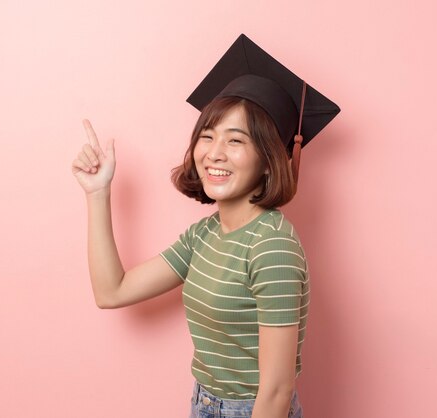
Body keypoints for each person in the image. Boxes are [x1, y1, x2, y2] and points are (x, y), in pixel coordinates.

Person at [71, 34, 339, 418]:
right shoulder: (206, 233)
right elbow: (112, 291)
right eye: (208, 136)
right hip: (205, 403)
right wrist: (98, 193)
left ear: (268, 159)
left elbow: (277, 392)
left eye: (236, 140)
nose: (214, 153)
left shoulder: (272, 246)